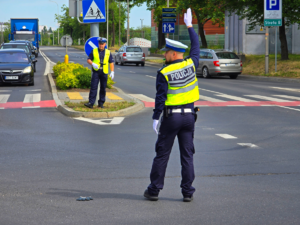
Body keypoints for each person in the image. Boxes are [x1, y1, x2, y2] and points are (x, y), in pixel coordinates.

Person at [144, 8, 200, 203]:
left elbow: (160, 98)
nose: (165, 54)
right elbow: (196, 46)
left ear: (174, 53)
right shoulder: (191, 64)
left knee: (162, 154)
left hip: (171, 118)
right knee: (187, 156)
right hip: (189, 118)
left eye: (167, 52)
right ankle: (188, 192)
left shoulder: (164, 72)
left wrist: (155, 117)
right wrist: (190, 26)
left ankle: (154, 190)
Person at [84, 37, 115, 109]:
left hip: (104, 72)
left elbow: (111, 62)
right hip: (96, 72)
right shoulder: (94, 51)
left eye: (102, 44)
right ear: (98, 44)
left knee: (103, 88)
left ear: (105, 44)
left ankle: (101, 103)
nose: (101, 45)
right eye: (100, 44)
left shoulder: (108, 52)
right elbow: (88, 60)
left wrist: (112, 71)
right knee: (93, 87)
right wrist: (92, 64)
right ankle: (91, 103)